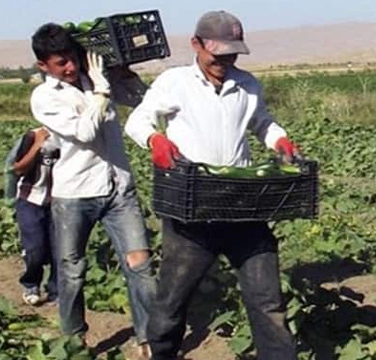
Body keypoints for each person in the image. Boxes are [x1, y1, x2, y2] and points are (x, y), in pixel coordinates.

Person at [125, 10, 300, 360]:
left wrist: (279, 139)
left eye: (232, 53)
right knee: (172, 301)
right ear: (196, 44)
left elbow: (261, 122)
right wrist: (154, 141)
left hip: (242, 206)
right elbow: (137, 120)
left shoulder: (247, 84)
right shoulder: (174, 82)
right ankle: (161, 353)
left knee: (268, 301)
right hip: (192, 207)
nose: (224, 60)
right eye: (217, 53)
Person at [30, 23, 156, 357]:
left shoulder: (94, 77)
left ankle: (148, 340)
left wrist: (121, 74)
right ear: (44, 66)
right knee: (72, 270)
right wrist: (100, 94)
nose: (70, 67)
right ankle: (75, 337)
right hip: (75, 194)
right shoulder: (45, 97)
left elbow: (142, 99)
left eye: (72, 58)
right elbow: (85, 133)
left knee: (140, 265)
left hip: (118, 188)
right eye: (61, 63)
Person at [5, 127, 59, 306]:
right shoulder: (31, 136)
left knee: (59, 249)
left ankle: (55, 290)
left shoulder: (70, 135)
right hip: (30, 199)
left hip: (59, 201)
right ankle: (30, 284)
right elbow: (17, 168)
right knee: (35, 248)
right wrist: (37, 146)